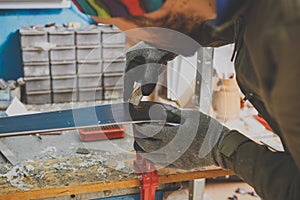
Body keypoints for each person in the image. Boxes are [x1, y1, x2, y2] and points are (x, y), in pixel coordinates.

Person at [94, 0, 300, 199]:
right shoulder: (254, 8)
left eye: (122, 20)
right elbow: (236, 23)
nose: (125, 32)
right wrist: (165, 40)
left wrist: (222, 148)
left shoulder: (288, 36)